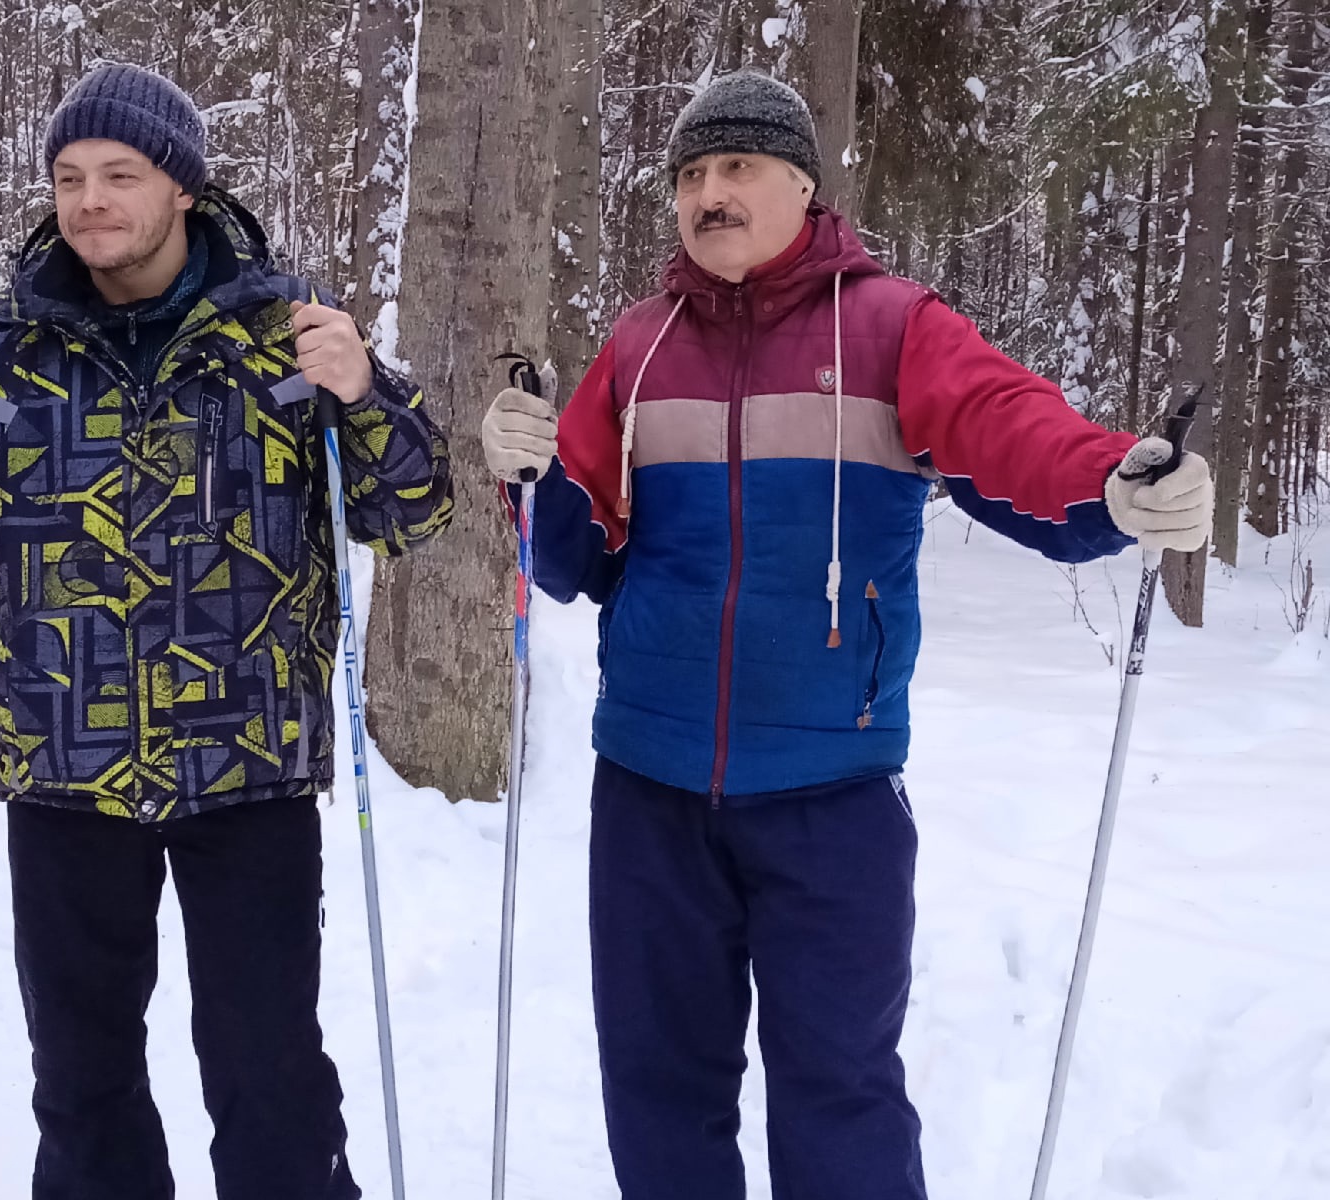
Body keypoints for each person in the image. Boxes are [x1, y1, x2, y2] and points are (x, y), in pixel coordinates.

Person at [481, 69, 1212, 1200]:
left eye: (735, 166)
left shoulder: (889, 327)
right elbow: (573, 554)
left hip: (831, 797)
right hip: (648, 794)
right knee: (658, 1092)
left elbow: (1007, 427)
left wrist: (1113, 483)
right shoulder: (640, 345)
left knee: (841, 1103)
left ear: (800, 185)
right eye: (689, 175)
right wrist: (523, 469)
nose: (707, 194)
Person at [0, 63, 453, 1200]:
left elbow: (411, 510)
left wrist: (363, 397)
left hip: (247, 769)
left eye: (119, 174)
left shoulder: (284, 335)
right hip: (65, 768)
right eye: (69, 177)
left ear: (184, 188)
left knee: (270, 1083)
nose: (90, 200)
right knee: (82, 1087)